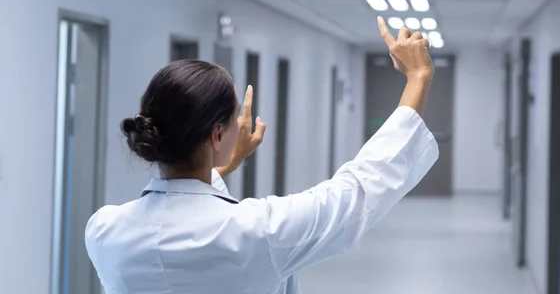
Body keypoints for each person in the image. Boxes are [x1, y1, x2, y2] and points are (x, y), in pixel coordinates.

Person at [85, 17, 439, 294]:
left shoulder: (104, 230)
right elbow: (360, 188)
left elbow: (178, 217)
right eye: (235, 114)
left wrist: (220, 164)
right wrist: (418, 77)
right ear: (218, 134)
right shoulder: (261, 231)